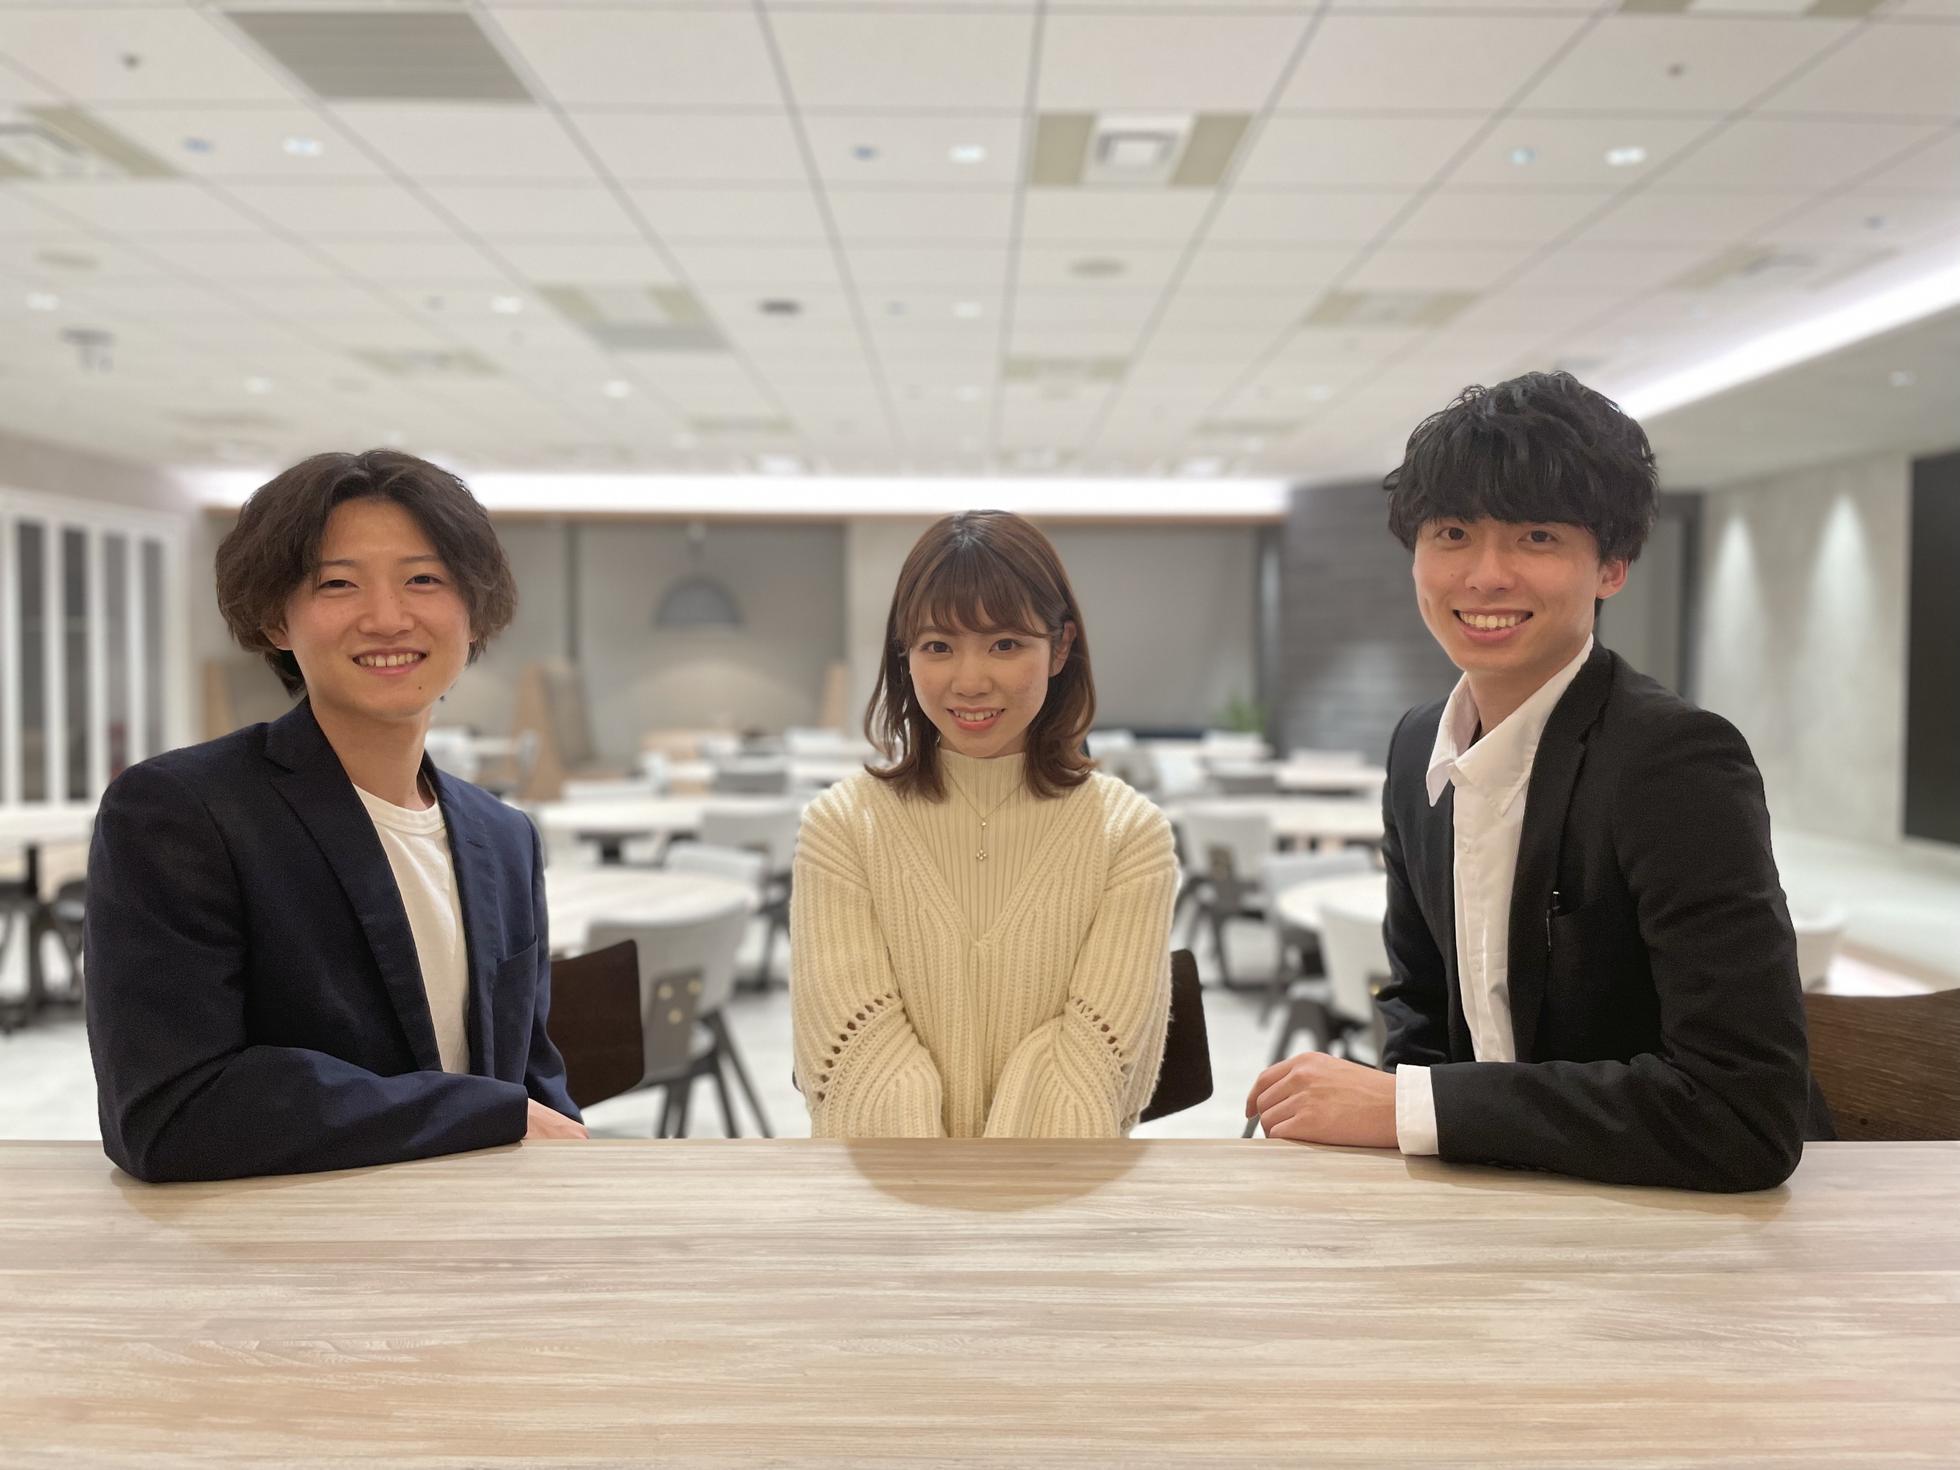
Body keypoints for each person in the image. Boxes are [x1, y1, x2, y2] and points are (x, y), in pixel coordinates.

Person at [1247, 371, 1821, 1191]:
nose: (1485, 575)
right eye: (1452, 533)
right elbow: (1421, 1010)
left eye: (1537, 537)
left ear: (1612, 565)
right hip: (1499, 1200)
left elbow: (1743, 1113)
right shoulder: (1417, 749)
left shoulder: (1674, 760)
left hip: (1677, 1220)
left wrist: (1409, 1107)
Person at [86, 449, 585, 1182]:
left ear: (474, 612)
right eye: (338, 584)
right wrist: (481, 1112)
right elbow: (168, 1111)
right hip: (286, 1241)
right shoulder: (183, 812)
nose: (387, 618)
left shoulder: (504, 836)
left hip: (484, 1232)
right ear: (275, 619)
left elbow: (537, 1087)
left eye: (423, 579)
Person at [791, 511, 1176, 1137]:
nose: (970, 682)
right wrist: (943, 1189)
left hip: (1058, 1188)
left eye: (1005, 644)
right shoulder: (842, 828)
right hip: (890, 1191)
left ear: (1060, 649)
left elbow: (1093, 1070)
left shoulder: (1129, 836)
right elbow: (856, 1058)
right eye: (938, 647)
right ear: (905, 655)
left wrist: (996, 1185)